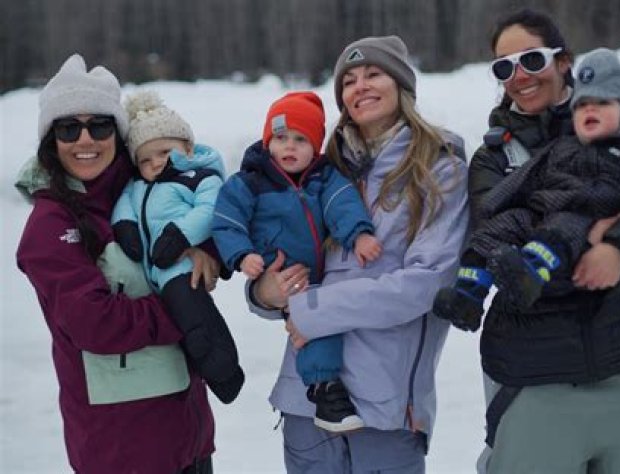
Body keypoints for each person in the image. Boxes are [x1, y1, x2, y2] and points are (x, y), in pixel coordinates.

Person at [443, 9, 620, 473]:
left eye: (531, 59)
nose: (519, 76)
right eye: (504, 67)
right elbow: (497, 245)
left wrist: (618, 249)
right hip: (535, 373)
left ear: (563, 61)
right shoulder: (493, 159)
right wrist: (578, 247)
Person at [242, 36, 468, 473]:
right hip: (306, 399)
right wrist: (264, 292)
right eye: (348, 81)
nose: (360, 86)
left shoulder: (439, 169)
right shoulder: (318, 170)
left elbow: (427, 284)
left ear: (401, 85)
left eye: (373, 74)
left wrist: (312, 308)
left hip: (385, 405)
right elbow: (278, 259)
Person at [15, 54, 216, 473]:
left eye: (100, 125)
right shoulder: (51, 223)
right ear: (51, 140)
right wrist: (185, 309)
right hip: (122, 449)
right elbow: (95, 323)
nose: (85, 139)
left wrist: (205, 253)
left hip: (188, 433)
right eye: (68, 128)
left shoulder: (144, 187)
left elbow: (200, 215)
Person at [433, 47, 620, 320]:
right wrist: (497, 200)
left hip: (584, 212)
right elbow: (532, 173)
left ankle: (530, 274)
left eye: (603, 102)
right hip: (542, 210)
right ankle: (468, 294)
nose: (590, 108)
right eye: (581, 105)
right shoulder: (565, 145)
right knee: (500, 227)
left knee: (563, 225)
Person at [212, 90, 381, 431]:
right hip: (282, 272)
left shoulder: (324, 178)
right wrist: (242, 255)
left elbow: (342, 204)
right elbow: (227, 220)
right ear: (267, 142)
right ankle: (324, 389)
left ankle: (327, 388)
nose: (289, 147)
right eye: (281, 138)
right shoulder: (251, 182)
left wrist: (359, 234)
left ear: (315, 146)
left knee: (319, 322)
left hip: (322, 275)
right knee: (317, 328)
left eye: (301, 140)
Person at [112, 90, 245, 404]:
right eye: (145, 160)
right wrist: (125, 226)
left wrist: (180, 236)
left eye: (164, 152)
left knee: (195, 320)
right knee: (181, 332)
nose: (155, 163)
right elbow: (123, 204)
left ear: (187, 147)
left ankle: (225, 373)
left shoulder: (199, 178)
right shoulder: (137, 186)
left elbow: (209, 210)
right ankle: (208, 369)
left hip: (180, 263)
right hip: (150, 272)